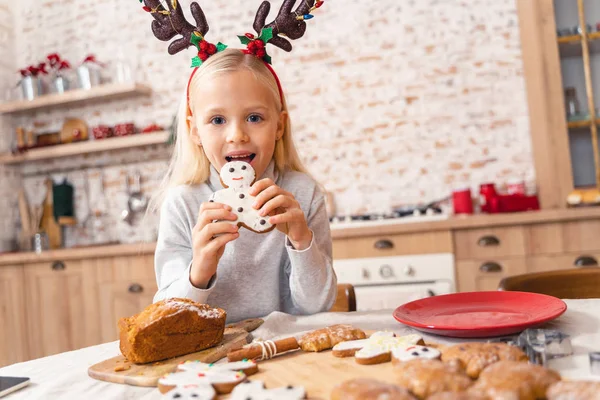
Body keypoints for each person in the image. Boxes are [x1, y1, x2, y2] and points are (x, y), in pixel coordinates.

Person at [143, 0, 336, 322]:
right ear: (194, 132)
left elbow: (317, 307)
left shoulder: (302, 194)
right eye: (217, 120)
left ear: (279, 126)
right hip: (210, 354)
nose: (237, 135)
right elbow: (168, 315)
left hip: (285, 351)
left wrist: (301, 240)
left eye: (254, 117)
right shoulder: (183, 204)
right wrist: (199, 270)